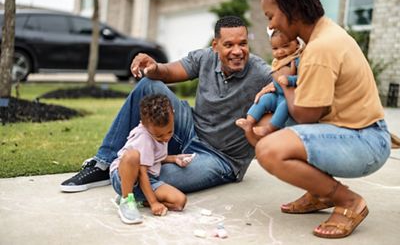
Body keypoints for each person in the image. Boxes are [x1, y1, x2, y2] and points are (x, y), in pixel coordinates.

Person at [60, 16, 272, 195]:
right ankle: (103, 163)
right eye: (229, 45)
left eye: (242, 43)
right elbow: (168, 72)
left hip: (219, 158)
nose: (237, 51)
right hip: (191, 131)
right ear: (215, 46)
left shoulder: (260, 71)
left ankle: (122, 172)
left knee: (138, 182)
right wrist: (154, 67)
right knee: (148, 84)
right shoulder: (205, 57)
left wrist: (285, 73)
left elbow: (285, 79)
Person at [256, 0, 391, 239]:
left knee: (269, 149)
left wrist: (283, 84)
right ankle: (319, 193)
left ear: (291, 8)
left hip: (366, 141)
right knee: (264, 126)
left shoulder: (321, 47)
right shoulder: (321, 35)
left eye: (271, 16)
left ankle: (349, 201)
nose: (270, 24)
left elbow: (307, 114)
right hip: (352, 131)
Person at [110, 94, 188, 224]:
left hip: (148, 180)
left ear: (173, 114)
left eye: (169, 132)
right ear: (145, 125)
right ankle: (126, 200)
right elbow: (142, 174)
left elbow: (153, 158)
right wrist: (154, 203)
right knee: (132, 155)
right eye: (159, 136)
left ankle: (137, 199)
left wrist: (174, 158)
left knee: (179, 202)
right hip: (125, 176)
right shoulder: (143, 138)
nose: (165, 138)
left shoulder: (160, 129)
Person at [236, 30, 304, 146]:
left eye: (285, 46)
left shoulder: (297, 60)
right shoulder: (277, 62)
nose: (280, 52)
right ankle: (249, 121)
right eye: (275, 49)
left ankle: (270, 128)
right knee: (264, 99)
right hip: (277, 94)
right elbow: (274, 79)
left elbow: (304, 78)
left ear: (297, 44)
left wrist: (290, 80)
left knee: (284, 106)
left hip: (288, 97)